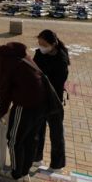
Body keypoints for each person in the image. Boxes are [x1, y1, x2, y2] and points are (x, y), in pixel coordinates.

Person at [0, 42, 48, 182]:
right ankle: (24, 172)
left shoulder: (2, 60)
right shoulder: (20, 56)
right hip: (42, 103)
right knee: (30, 139)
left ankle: (16, 174)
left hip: (25, 104)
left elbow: (5, 90)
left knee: (15, 140)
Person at [32, 30, 69, 171]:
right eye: (39, 43)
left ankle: (57, 164)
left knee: (56, 133)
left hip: (54, 101)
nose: (41, 47)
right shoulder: (39, 53)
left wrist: (42, 78)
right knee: (38, 130)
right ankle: (37, 158)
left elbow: (58, 82)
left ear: (53, 44)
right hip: (39, 98)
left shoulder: (61, 59)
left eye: (44, 44)